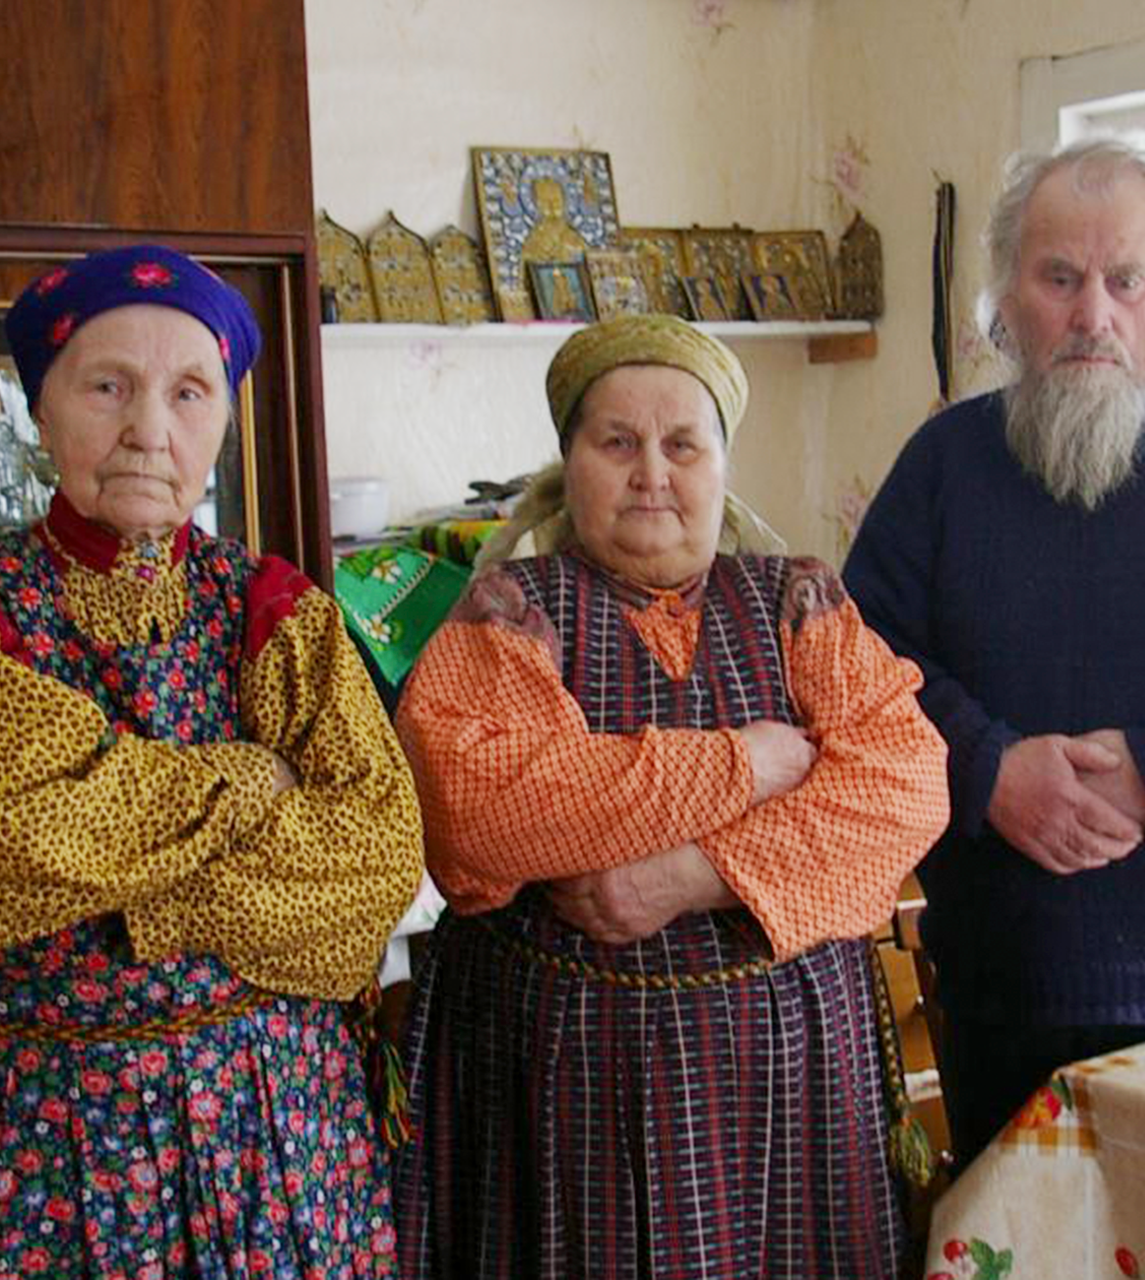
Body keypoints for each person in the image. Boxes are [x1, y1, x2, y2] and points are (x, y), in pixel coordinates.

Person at [391, 312, 950, 1278]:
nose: (652, 471)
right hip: (561, 1093)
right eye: (618, 443)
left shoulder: (799, 600)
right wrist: (750, 764)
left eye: (682, 444)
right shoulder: (509, 611)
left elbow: (902, 787)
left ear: (723, 465)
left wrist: (687, 876)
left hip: (797, 1097)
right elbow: (484, 803)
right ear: (572, 465)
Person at [0, 243, 425, 1276]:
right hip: (52, 1132)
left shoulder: (276, 608)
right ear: (39, 410)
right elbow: (4, 836)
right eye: (107, 386)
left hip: (279, 1123)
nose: (148, 430)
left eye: (188, 392)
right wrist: (250, 781)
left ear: (222, 421)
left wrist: (125, 858)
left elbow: (371, 862)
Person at [842, 137, 1145, 1169]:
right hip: (996, 994)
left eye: (1124, 281)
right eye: (1058, 278)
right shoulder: (942, 463)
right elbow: (851, 663)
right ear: (1005, 294)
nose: (1092, 315)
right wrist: (988, 768)